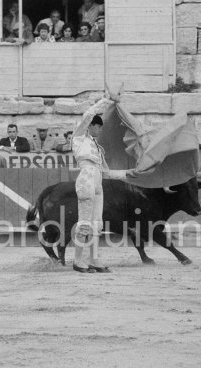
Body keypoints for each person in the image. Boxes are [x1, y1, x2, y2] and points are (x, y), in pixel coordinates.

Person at [71, 91, 136, 273]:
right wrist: (107, 101)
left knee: (96, 224)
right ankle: (77, 261)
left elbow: (106, 172)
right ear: (90, 127)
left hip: (97, 182)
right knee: (84, 222)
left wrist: (127, 173)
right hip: (86, 180)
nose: (100, 130)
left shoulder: (98, 148)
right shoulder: (78, 139)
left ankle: (93, 260)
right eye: (98, 127)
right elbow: (88, 115)